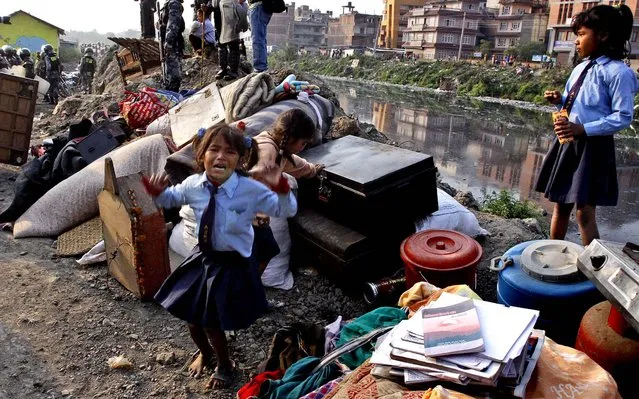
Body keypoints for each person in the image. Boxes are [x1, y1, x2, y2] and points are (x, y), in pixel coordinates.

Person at [144, 124, 297, 389]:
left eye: (229, 151)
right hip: (203, 257)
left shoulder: (248, 188)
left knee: (211, 322)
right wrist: (159, 193)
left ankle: (225, 364)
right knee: (192, 319)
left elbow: (286, 209)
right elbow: (172, 198)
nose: (220, 157)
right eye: (213, 149)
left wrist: (282, 188)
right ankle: (205, 352)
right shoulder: (194, 184)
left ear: (240, 158)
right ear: (202, 153)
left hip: (232, 263)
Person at [535, 5, 638, 246]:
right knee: (560, 204)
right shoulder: (580, 68)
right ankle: (554, 253)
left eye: (581, 35)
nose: (577, 42)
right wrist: (559, 100)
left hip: (592, 148)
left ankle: (592, 265)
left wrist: (584, 129)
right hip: (568, 143)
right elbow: (576, 103)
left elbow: (623, 116)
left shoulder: (618, 73)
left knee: (584, 211)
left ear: (602, 35)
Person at [250, 109, 324, 272]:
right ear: (290, 139)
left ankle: (249, 283)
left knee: (267, 249)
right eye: (303, 143)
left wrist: (312, 170)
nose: (303, 147)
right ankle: (248, 285)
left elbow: (296, 165)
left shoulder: (278, 148)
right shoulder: (267, 153)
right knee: (262, 250)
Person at [212, 0, 248, 81]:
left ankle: (233, 70)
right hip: (218, 10)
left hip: (231, 8)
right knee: (220, 40)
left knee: (234, 41)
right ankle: (223, 68)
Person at [159, 0, 186, 92]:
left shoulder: (174, 3)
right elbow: (169, 23)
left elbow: (173, 24)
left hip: (173, 41)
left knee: (173, 70)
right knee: (169, 68)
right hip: (170, 41)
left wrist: (169, 41)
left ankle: (173, 92)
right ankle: (171, 90)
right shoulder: (171, 3)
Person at [247, 0, 272, 72]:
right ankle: (262, 67)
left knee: (257, 39)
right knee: (261, 38)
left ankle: (260, 68)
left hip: (257, 8)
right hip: (261, 8)